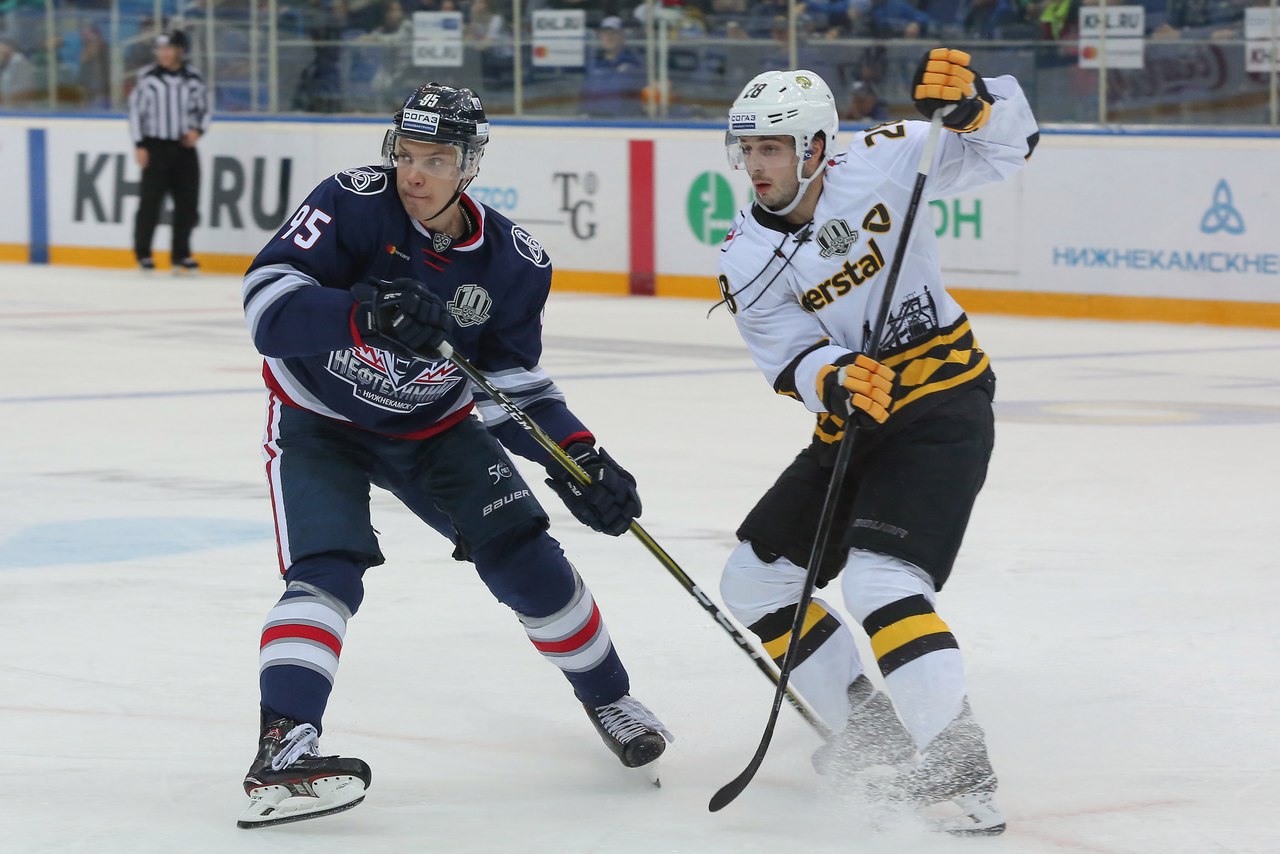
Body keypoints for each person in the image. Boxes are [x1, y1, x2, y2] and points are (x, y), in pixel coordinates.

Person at [235, 81, 673, 828]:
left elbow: (509, 385)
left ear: (470, 166)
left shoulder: (513, 264)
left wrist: (579, 457)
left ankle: (612, 700)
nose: (413, 174)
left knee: (525, 556)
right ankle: (283, 747)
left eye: (435, 160)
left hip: (433, 427)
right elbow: (267, 308)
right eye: (405, 154)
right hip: (317, 418)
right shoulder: (351, 202)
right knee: (327, 569)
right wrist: (363, 314)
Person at [715, 53, 1038, 835]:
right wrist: (830, 376)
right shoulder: (743, 253)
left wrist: (972, 107)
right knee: (755, 581)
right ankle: (871, 735)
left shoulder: (886, 156)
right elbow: (786, 355)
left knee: (879, 579)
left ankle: (960, 763)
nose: (756, 166)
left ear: (816, 147)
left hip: (942, 402)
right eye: (748, 149)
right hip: (854, 427)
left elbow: (1009, 146)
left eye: (772, 148)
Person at [127, 30, 209, 273]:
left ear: (180, 51)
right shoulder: (147, 77)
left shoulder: (193, 78)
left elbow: (204, 109)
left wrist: (198, 131)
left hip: (183, 148)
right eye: (160, 49)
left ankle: (181, 254)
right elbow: (136, 113)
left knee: (187, 203)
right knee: (150, 202)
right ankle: (143, 253)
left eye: (168, 48)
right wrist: (140, 144)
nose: (162, 53)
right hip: (156, 147)